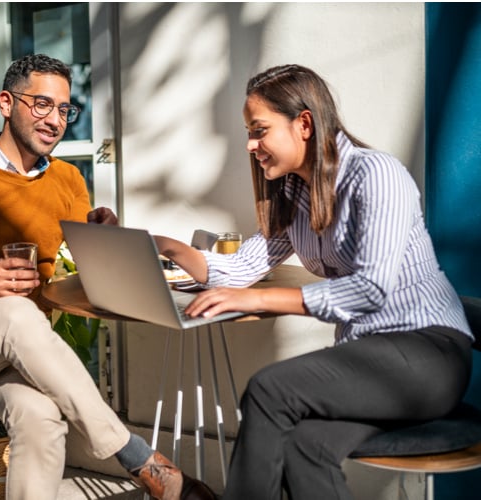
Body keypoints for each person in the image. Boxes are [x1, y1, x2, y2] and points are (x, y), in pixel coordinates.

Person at [0, 53, 216, 500]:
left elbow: (85, 252)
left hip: (18, 349)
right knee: (17, 314)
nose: (55, 119)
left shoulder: (67, 179)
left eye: (64, 109)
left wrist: (102, 236)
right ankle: (137, 456)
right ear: (6, 103)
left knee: (42, 417)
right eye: (41, 104)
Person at [154, 64, 474, 499]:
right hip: (370, 361)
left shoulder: (375, 174)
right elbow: (239, 269)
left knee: (270, 389)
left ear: (303, 123)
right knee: (307, 446)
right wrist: (164, 245)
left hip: (426, 357)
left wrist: (260, 301)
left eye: (259, 130)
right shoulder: (296, 196)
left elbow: (371, 288)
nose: (251, 145)